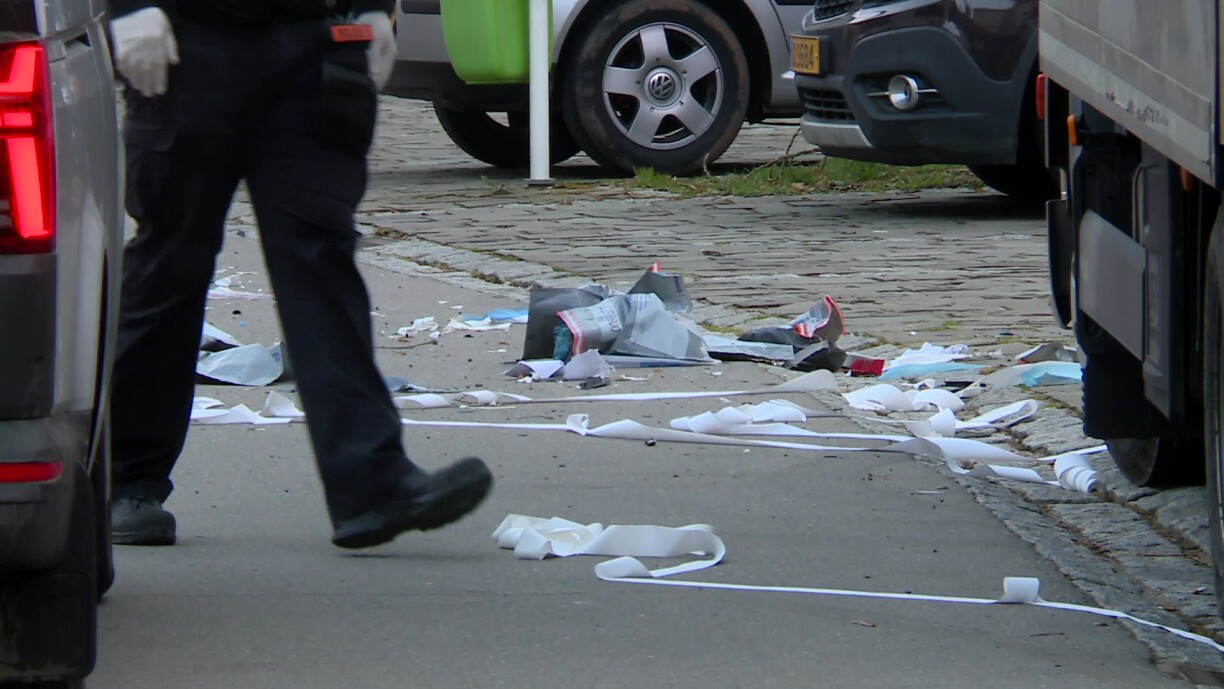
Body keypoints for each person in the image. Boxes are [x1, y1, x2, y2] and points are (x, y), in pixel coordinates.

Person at [105, 0, 492, 549]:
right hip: (187, 43)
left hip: (314, 46)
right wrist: (128, 8)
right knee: (169, 265)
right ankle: (126, 481)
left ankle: (371, 483)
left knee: (321, 264)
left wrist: (377, 9)